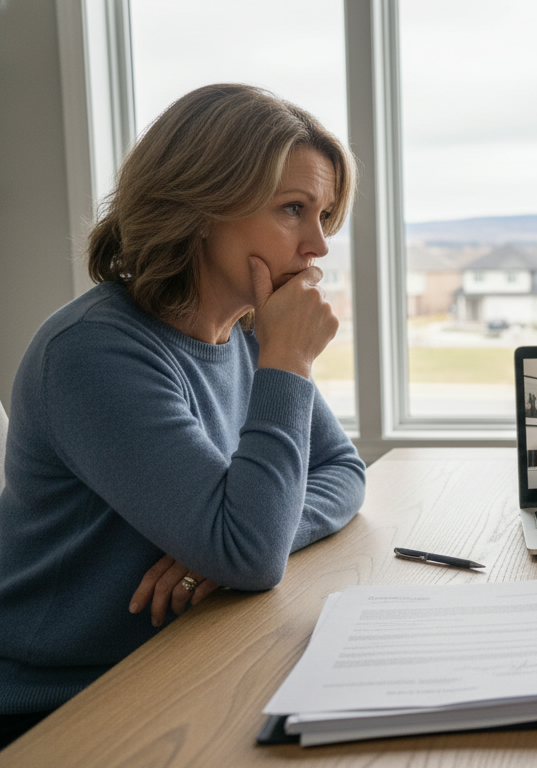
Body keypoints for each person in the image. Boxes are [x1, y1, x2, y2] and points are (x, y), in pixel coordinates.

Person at [0, 84, 365, 747]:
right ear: (203, 206)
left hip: (181, 659)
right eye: (293, 210)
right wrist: (234, 544)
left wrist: (230, 546)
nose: (318, 246)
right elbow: (249, 556)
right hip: (59, 705)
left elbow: (341, 470)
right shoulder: (93, 352)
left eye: (326, 215)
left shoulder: (250, 332)